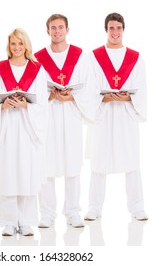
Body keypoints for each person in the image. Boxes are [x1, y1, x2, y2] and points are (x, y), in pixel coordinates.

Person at [34, 14, 97, 228]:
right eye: (53, 28)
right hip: (49, 115)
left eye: (61, 27)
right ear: (47, 31)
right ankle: (47, 213)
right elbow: (32, 86)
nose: (57, 31)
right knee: (46, 163)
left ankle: (72, 211)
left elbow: (90, 86)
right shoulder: (38, 57)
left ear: (67, 29)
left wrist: (72, 96)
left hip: (71, 114)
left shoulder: (80, 56)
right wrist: (50, 94)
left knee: (72, 163)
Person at [84, 12, 148, 221]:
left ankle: (137, 207)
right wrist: (104, 99)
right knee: (99, 160)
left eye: (118, 28)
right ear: (106, 30)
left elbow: (141, 87)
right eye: (111, 28)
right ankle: (94, 207)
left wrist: (129, 97)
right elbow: (89, 86)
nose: (115, 32)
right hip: (104, 113)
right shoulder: (94, 56)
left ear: (123, 29)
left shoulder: (135, 57)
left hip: (126, 114)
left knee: (131, 160)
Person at [0, 28, 48, 236]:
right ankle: (8, 221)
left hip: (27, 128)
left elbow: (42, 102)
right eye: (13, 44)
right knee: (8, 172)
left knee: (27, 172)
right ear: (8, 46)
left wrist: (26, 107)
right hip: (6, 127)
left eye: (20, 44)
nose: (16, 48)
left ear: (26, 45)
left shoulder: (37, 70)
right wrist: (2, 107)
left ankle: (27, 221)